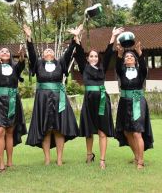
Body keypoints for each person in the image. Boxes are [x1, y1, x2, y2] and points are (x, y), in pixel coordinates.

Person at [24, 24, 80, 166]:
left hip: (59, 98)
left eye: (50, 50)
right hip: (43, 99)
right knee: (46, 128)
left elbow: (68, 53)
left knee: (59, 128)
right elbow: (31, 53)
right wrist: (29, 37)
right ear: (42, 55)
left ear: (54, 54)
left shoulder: (60, 63)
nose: (48, 50)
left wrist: (75, 37)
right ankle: (47, 159)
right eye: (46, 50)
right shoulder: (38, 64)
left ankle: (59, 159)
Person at [74, 27, 124, 169]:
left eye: (96, 56)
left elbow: (108, 53)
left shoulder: (103, 67)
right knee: (89, 131)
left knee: (102, 131)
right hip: (89, 101)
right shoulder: (84, 67)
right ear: (87, 58)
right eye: (91, 56)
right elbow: (78, 53)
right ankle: (89, 155)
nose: (94, 58)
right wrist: (77, 38)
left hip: (102, 100)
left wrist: (113, 37)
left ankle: (102, 160)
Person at [0, 46, 27, 173]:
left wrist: (22, 55)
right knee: (0, 130)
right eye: (2, 51)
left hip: (13, 101)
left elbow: (21, 65)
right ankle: (1, 163)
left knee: (9, 131)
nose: (4, 52)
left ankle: (10, 162)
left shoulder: (15, 67)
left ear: (10, 55)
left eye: (7, 51)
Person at [115, 37, 154, 170]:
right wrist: (120, 54)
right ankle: (136, 155)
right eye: (127, 57)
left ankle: (141, 161)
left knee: (137, 132)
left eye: (131, 56)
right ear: (124, 61)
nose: (129, 57)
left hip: (138, 101)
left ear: (135, 60)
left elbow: (143, 67)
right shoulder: (122, 71)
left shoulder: (140, 71)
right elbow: (117, 66)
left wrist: (139, 52)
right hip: (124, 103)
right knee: (127, 132)